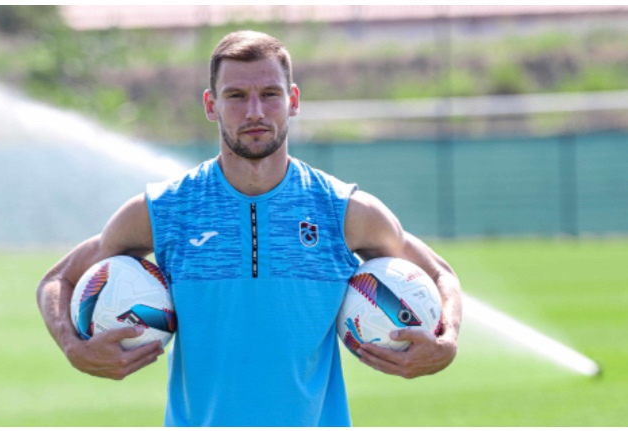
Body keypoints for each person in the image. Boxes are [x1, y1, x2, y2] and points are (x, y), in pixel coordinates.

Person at [36, 30, 462, 427]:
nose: (254, 111)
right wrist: (73, 346)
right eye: (236, 95)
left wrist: (447, 341)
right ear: (211, 105)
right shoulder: (167, 209)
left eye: (270, 94)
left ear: (293, 100)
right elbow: (58, 279)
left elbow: (439, 272)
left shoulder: (342, 209)